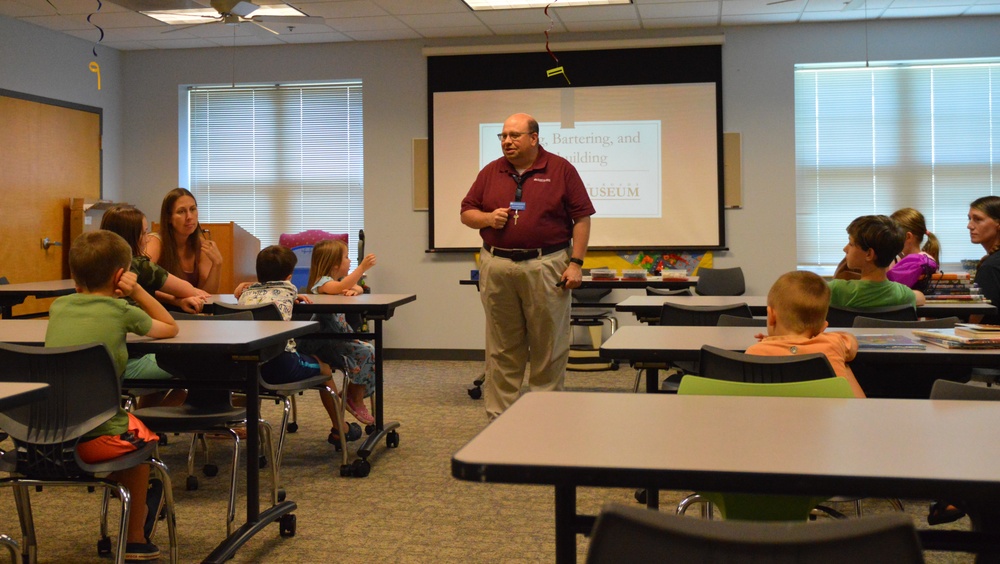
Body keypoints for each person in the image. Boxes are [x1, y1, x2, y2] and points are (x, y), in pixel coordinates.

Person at [45, 230, 179, 562]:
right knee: (145, 442)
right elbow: (169, 326)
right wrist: (137, 292)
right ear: (121, 275)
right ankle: (134, 538)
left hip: (44, 438)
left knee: (130, 422)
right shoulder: (121, 310)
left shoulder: (57, 307)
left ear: (75, 274)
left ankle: (125, 485)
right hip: (94, 440)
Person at [460, 112, 596, 420]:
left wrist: (576, 263)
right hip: (497, 264)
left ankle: (543, 420)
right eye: (503, 136)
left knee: (548, 346)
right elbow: (467, 212)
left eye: (514, 136)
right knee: (502, 347)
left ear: (533, 138)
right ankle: (500, 420)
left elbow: (582, 219)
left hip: (546, 264)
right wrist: (487, 218)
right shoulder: (491, 172)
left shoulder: (561, 169)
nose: (507, 141)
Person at [234, 245, 362, 444]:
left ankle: (247, 422)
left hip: (242, 367)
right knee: (324, 368)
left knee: (257, 361)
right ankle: (341, 428)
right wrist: (295, 297)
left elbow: (250, 291)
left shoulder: (245, 293)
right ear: (290, 276)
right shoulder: (289, 289)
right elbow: (281, 294)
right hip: (279, 366)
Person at [101, 205, 210, 406]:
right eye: (144, 232)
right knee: (204, 366)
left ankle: (147, 422)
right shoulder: (137, 265)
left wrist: (175, 301)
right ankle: (149, 424)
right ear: (134, 236)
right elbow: (187, 289)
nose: (148, 237)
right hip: (131, 360)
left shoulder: (98, 266)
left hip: (102, 363)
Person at [295, 239, 379, 426]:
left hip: (335, 338)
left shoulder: (337, 281)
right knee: (367, 352)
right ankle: (354, 398)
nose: (349, 261)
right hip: (321, 343)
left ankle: (353, 395)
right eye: (346, 257)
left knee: (368, 350)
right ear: (334, 264)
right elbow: (339, 288)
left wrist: (355, 290)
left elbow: (355, 286)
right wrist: (361, 268)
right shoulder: (322, 283)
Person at [745, 271, 864, 398]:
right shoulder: (834, 343)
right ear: (822, 327)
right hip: (830, 415)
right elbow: (852, 342)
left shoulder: (754, 352)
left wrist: (772, 341)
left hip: (774, 415)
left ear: (771, 316)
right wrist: (836, 335)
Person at [828, 215, 925, 309]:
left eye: (851, 244)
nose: (845, 249)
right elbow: (920, 297)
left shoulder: (835, 290)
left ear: (869, 254)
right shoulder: (904, 295)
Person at [145, 188, 223, 293]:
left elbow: (208, 294)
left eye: (192, 209)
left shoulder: (201, 244)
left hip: (191, 308)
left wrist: (217, 264)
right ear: (168, 218)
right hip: (160, 307)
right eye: (181, 211)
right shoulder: (155, 241)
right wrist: (176, 300)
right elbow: (141, 281)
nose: (189, 217)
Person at [886, 207, 940, 291]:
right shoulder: (901, 259)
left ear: (908, 237)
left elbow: (890, 285)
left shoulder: (920, 261)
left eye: (894, 236)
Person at [968, 196, 1000, 324]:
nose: (969, 226)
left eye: (978, 219)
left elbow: (975, 320)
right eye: (969, 219)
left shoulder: (991, 267)